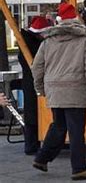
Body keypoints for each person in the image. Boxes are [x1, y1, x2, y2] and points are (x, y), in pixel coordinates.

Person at [31, 3, 86, 180]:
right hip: (76, 89)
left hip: (54, 89)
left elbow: (37, 67)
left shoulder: (48, 40)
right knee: (76, 130)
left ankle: (42, 158)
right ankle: (79, 169)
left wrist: (40, 88)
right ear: (77, 17)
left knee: (59, 125)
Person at [18, 16, 51, 155]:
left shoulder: (27, 41)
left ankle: (33, 143)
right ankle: (31, 144)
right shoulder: (32, 44)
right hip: (32, 81)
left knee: (32, 112)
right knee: (32, 113)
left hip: (31, 80)